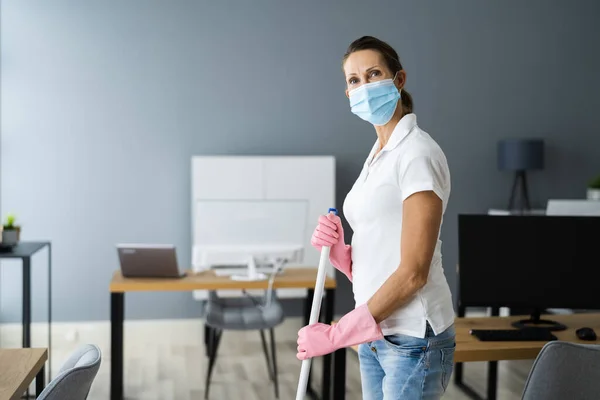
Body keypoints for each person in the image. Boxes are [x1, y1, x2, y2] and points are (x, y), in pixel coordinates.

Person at [296, 36, 456, 399]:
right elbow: (384, 255)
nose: (363, 86)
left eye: (373, 74)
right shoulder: (378, 155)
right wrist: (342, 254)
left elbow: (414, 272)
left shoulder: (417, 154)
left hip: (413, 338)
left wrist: (337, 334)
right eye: (354, 80)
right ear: (347, 93)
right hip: (375, 333)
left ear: (398, 79)